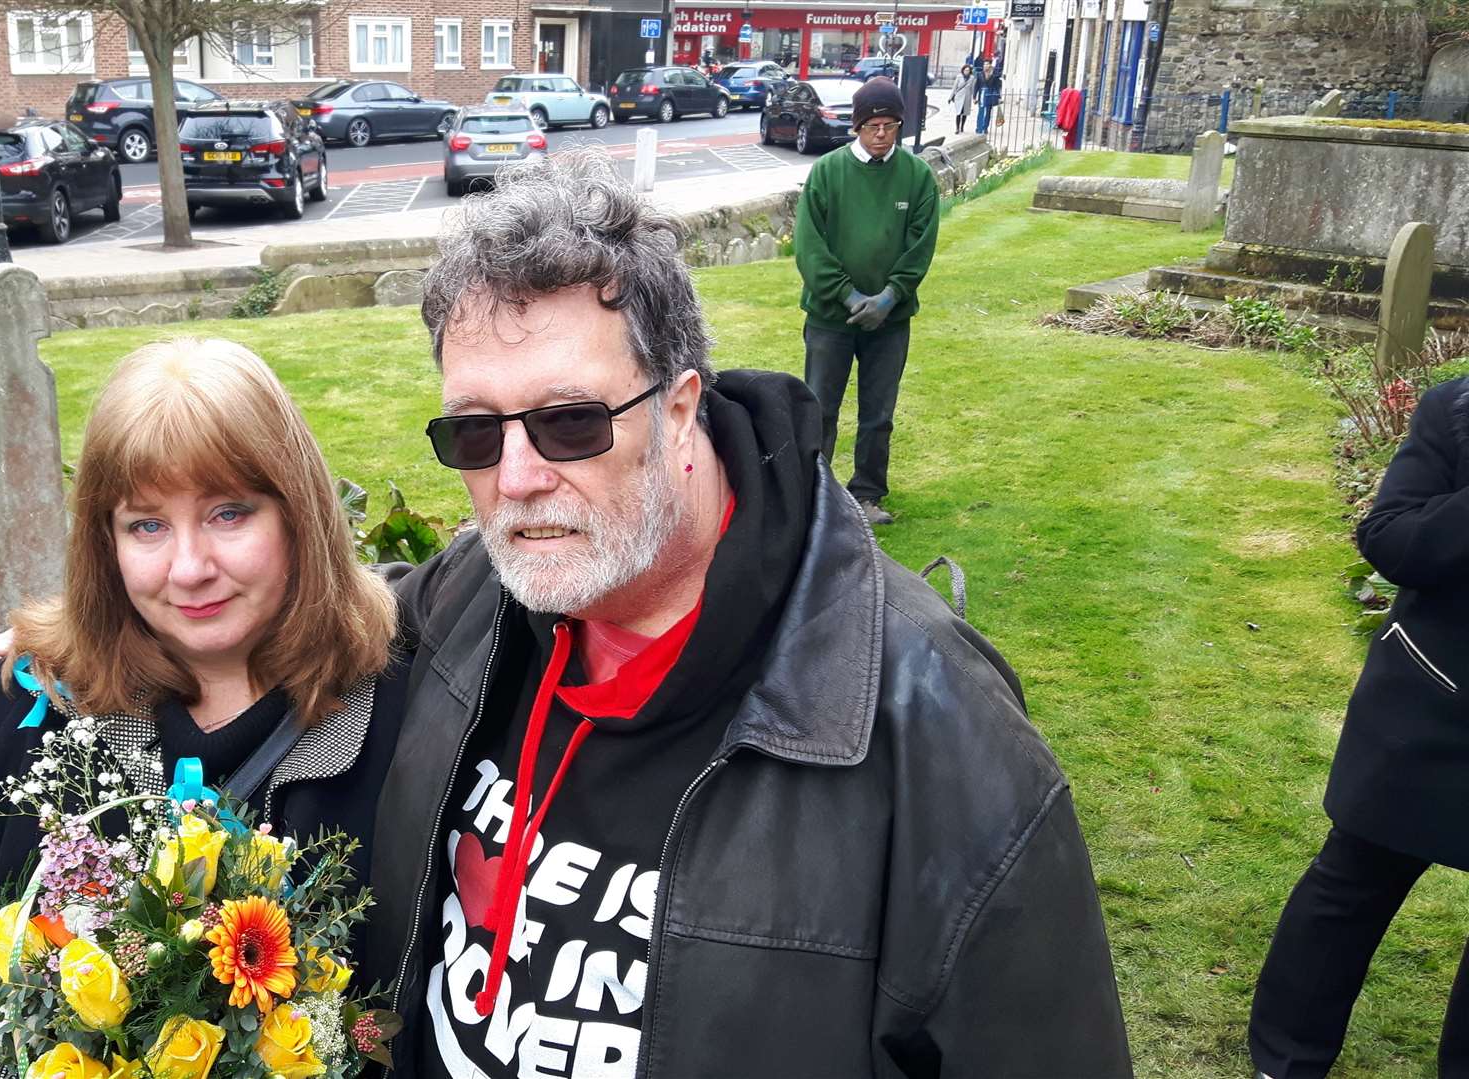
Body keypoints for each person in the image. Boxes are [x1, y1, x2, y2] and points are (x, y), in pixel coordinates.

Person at [367, 151, 1130, 1076]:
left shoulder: (935, 728)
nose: (517, 480)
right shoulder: (476, 597)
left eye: (572, 421)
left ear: (682, 408)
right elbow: (318, 643)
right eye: (475, 434)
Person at [0, 338, 410, 1079]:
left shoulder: (399, 712)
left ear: (300, 515)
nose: (190, 568)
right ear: (105, 543)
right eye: (147, 525)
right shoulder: (39, 705)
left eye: (230, 513)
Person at [1249, 374, 1469, 1079]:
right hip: (1434, 694)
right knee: (1353, 881)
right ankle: (1284, 1060)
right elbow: (1391, 537)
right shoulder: (1456, 411)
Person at [792, 76, 939, 526]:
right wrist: (847, 294)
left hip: (890, 321)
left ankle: (867, 494)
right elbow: (809, 245)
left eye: (890, 124)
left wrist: (891, 295)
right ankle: (815, 495)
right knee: (820, 408)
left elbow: (921, 244)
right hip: (830, 318)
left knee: (879, 414)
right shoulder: (827, 172)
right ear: (857, 126)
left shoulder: (916, 176)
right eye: (873, 124)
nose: (882, 133)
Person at [951, 62, 978, 135]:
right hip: (959, 97)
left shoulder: (972, 78)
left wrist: (974, 98)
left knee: (965, 113)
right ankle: (957, 128)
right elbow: (954, 87)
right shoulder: (959, 77)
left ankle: (962, 126)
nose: (966, 72)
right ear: (963, 70)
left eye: (968, 70)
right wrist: (951, 97)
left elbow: (973, 89)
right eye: (965, 70)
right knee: (958, 113)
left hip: (967, 97)